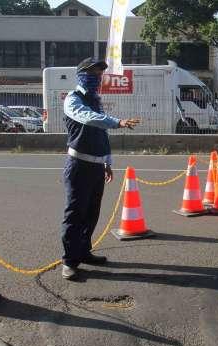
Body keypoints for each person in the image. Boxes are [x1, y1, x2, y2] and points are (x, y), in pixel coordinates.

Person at [61, 57, 140, 280]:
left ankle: (84, 252)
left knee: (91, 214)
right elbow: (89, 119)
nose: (96, 78)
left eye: (99, 74)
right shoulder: (73, 99)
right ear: (81, 74)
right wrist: (117, 121)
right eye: (92, 73)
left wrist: (107, 162)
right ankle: (69, 261)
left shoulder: (96, 99)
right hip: (79, 165)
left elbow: (100, 134)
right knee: (75, 215)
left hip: (96, 166)